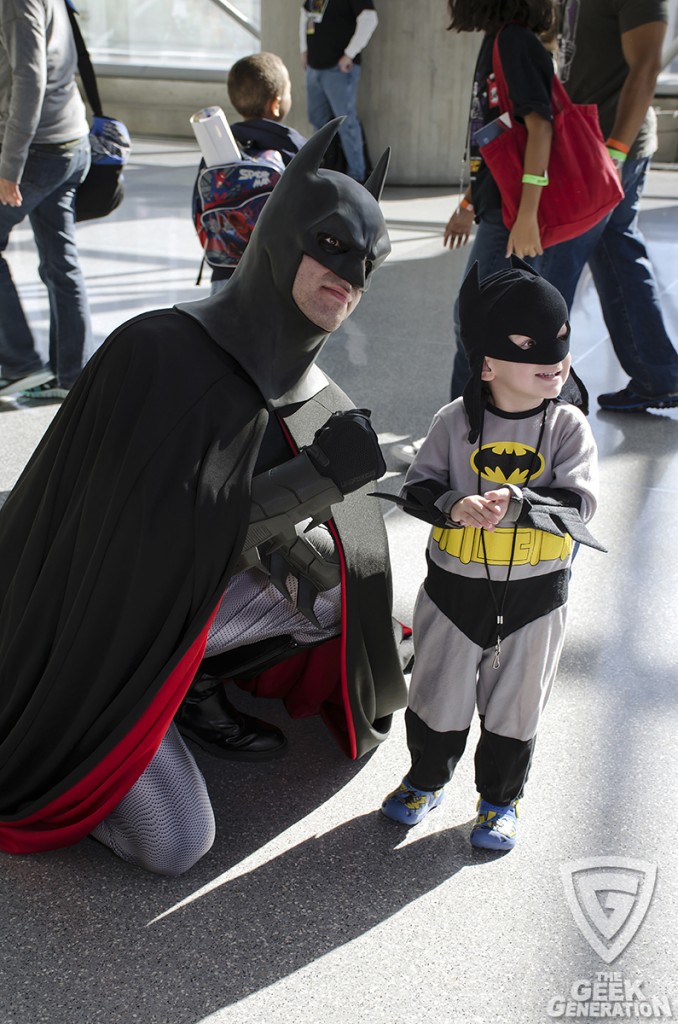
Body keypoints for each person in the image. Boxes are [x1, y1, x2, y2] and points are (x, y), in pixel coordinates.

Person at [0, 120, 408, 876]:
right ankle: (116, 748)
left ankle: (186, 690)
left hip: (179, 614)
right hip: (91, 644)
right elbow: (149, 540)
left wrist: (339, 506)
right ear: (285, 235)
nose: (349, 279)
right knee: (177, 842)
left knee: (340, 595)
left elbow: (250, 529)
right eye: (331, 248)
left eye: (367, 266)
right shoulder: (156, 352)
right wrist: (315, 478)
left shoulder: (306, 388)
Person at [380, 259, 603, 851]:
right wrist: (454, 505)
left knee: (516, 706)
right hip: (454, 593)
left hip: (535, 599)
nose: (552, 359)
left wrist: (520, 503)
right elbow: (418, 488)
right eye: (531, 347)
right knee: (436, 694)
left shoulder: (569, 428)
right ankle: (425, 780)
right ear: (487, 362)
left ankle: (500, 801)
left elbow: (580, 503)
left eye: (560, 344)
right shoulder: (453, 423)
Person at [394, 0, 557, 465]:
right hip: (499, 210)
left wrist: (526, 213)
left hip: (511, 216)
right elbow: (497, 134)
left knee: (477, 324)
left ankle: (457, 440)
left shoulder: (514, 41)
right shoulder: (500, 39)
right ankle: (479, 434)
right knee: (494, 328)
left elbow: (540, 126)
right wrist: (469, 202)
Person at [537, 0, 678, 412]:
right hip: (583, 143)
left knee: (555, 263)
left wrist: (613, 152)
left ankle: (537, 389)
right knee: (618, 256)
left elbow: (648, 65)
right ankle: (658, 375)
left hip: (608, 149)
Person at [0, 0, 92, 402]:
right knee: (60, 260)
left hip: (39, 150)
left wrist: (10, 165)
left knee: (59, 260)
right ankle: (71, 375)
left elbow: (30, 77)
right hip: (71, 139)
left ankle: (18, 364)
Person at [193, 51, 307, 295]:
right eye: (288, 90)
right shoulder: (294, 147)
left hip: (225, 273)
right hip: (280, 274)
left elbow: (199, 211)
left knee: (224, 332)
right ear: (276, 104)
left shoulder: (216, 148)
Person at [300, 0, 378, 182]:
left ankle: (356, 177)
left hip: (338, 69)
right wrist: (304, 50)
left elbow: (370, 19)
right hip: (315, 66)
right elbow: (306, 15)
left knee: (346, 124)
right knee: (318, 120)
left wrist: (349, 54)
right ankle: (324, 172)